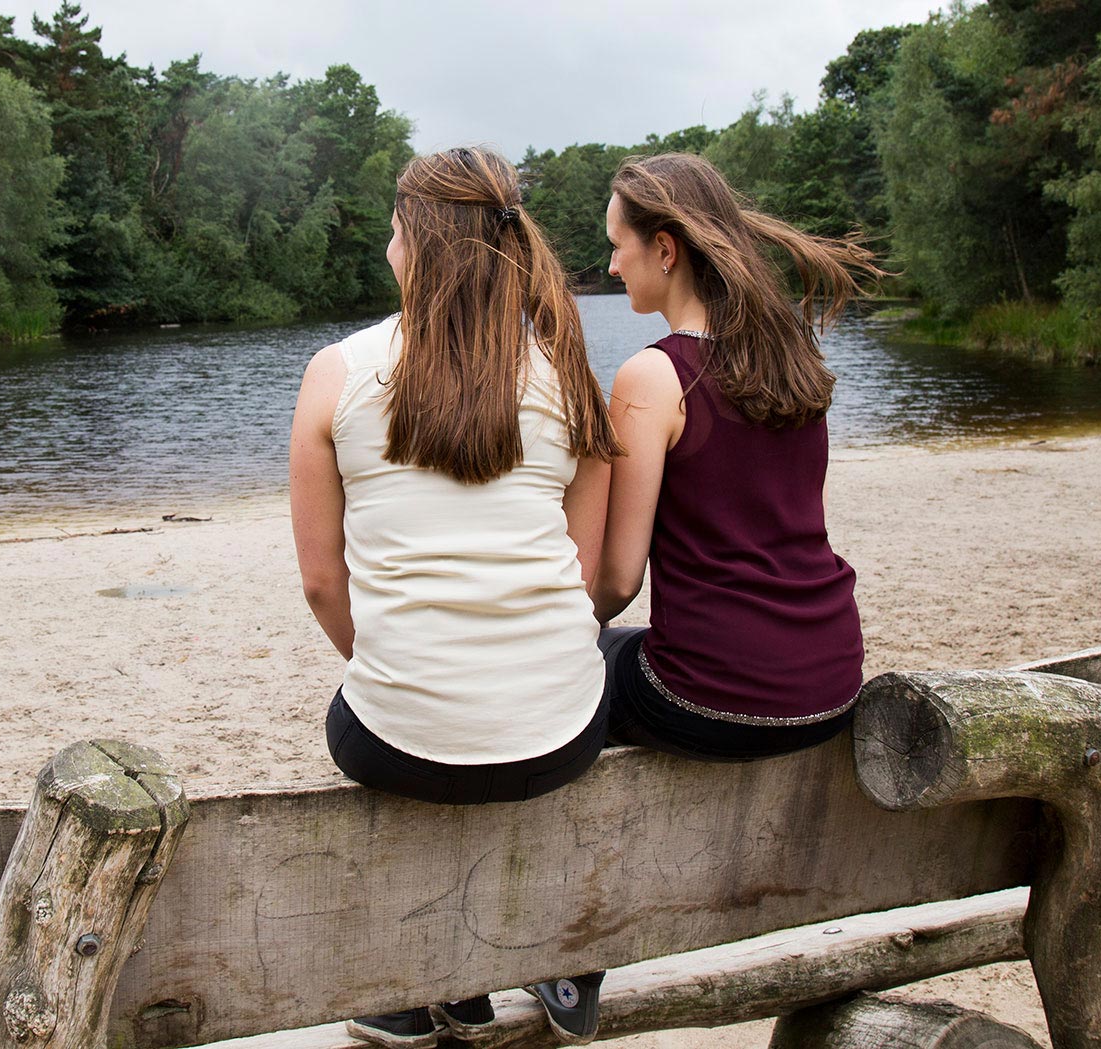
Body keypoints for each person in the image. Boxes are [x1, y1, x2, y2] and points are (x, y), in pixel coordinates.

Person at [521, 153, 886, 1045]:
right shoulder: (792, 351)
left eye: (619, 247)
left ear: (668, 248)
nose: (611, 267)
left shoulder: (654, 376)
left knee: (565, 684)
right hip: (832, 676)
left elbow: (615, 577)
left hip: (721, 690)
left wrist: (555, 637)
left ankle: (571, 956)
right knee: (613, 659)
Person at [289, 146, 622, 1049]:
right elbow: (587, 585)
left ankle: (422, 990)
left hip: (394, 743)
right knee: (529, 719)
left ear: (418, 244)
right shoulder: (571, 379)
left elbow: (322, 582)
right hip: (561, 738)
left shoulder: (337, 372)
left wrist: (396, 663)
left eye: (394, 231)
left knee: (392, 737)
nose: (387, 247)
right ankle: (498, 971)